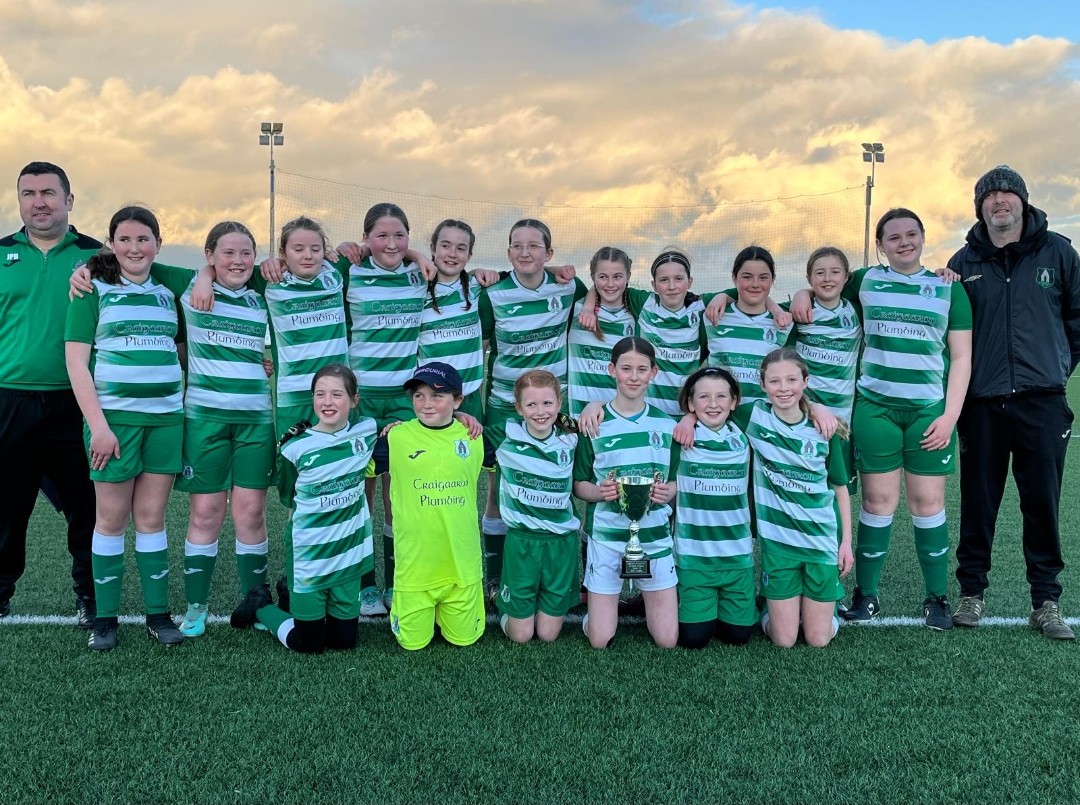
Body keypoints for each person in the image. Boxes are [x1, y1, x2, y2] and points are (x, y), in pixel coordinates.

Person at [795, 209, 973, 630]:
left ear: (923, 238)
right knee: (877, 503)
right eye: (893, 237)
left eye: (911, 234)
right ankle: (866, 595)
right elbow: (827, 285)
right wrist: (801, 294)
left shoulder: (948, 289)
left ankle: (936, 598)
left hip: (929, 411)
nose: (904, 242)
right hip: (875, 409)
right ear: (880, 245)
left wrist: (949, 417)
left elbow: (962, 356)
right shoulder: (865, 280)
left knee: (927, 504)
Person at [949, 166, 1080, 639]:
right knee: (978, 502)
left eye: (1007, 193)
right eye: (990, 196)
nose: (999, 201)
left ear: (1023, 200)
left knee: (1041, 502)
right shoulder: (962, 262)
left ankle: (1045, 601)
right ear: (980, 207)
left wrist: (1055, 368)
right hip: (982, 404)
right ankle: (972, 592)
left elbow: (1077, 319)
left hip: (1042, 403)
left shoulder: (1059, 252)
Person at [64, 206, 185, 650]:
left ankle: (158, 615)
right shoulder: (91, 289)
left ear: (158, 243)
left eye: (144, 239)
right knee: (111, 521)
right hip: (113, 424)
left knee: (152, 519)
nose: (135, 248)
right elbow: (76, 363)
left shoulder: (168, 289)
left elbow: (220, 274)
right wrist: (98, 426)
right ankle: (105, 619)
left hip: (167, 421)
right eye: (126, 239)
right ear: (111, 244)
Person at [0, 161, 100, 626]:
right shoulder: (0, 255)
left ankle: (91, 597)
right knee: (6, 509)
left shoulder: (99, 259)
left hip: (75, 403)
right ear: (19, 201)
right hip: (9, 402)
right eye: (28, 194)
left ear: (69, 200)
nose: (38, 202)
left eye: (48, 193)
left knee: (87, 508)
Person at [232, 363, 377, 653]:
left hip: (348, 555)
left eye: (337, 394)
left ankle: (294, 599)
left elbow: (415, 428)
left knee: (344, 643)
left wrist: (460, 415)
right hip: (309, 556)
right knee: (308, 644)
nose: (327, 401)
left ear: (354, 400)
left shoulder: (368, 431)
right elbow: (289, 497)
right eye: (320, 394)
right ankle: (262, 607)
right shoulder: (294, 448)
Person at [174, 222, 275, 638]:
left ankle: (255, 602)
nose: (238, 261)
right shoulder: (190, 290)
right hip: (205, 421)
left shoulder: (263, 298)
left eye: (246, 253)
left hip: (256, 421)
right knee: (205, 513)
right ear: (210, 255)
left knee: (251, 513)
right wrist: (201, 275)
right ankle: (196, 606)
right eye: (228, 253)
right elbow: (130, 260)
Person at [478, 219, 587, 594]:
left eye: (535, 246)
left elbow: (604, 295)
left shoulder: (569, 286)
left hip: (553, 409)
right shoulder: (492, 293)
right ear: (508, 252)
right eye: (517, 246)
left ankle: (566, 575)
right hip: (505, 407)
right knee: (501, 489)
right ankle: (496, 574)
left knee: (559, 485)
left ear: (550, 253)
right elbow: (479, 344)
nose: (525, 252)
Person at [377, 362, 495, 650]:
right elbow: (358, 469)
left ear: (457, 400)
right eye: (419, 396)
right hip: (415, 571)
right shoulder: (395, 438)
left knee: (465, 640)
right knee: (412, 643)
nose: (427, 404)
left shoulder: (475, 437)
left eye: (438, 396)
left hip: (461, 568)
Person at [573, 337, 679, 649]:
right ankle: (595, 615)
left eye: (641, 369)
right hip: (607, 537)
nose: (633, 376)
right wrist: (600, 491)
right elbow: (580, 485)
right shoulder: (594, 423)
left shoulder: (666, 424)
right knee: (600, 639)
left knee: (667, 640)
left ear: (653, 373)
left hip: (655, 536)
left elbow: (674, 482)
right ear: (612, 370)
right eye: (626, 368)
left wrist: (666, 492)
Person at [749, 348, 852, 648]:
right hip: (779, 543)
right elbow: (711, 407)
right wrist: (689, 420)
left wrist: (845, 543)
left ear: (805, 381)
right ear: (763, 384)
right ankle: (769, 603)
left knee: (818, 639)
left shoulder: (823, 428)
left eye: (792, 380)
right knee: (784, 639)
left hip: (820, 541)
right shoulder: (756, 417)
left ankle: (828, 606)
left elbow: (839, 487)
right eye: (775, 381)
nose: (783, 388)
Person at [495, 370, 581, 643]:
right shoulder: (504, 433)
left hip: (561, 543)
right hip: (523, 542)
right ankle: (505, 606)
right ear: (519, 408)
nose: (540, 411)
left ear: (559, 403)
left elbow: (604, 419)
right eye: (531, 404)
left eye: (547, 403)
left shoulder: (572, 433)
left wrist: (594, 407)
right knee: (521, 636)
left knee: (547, 635)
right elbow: (460, 429)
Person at [673, 367, 756, 648]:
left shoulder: (745, 428)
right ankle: (676, 594)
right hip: (695, 557)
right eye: (703, 397)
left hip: (737, 556)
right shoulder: (679, 436)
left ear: (733, 402)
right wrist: (686, 420)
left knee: (739, 637)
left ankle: (767, 601)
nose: (713, 404)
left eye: (721, 396)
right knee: (694, 639)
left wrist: (817, 408)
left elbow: (785, 404)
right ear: (690, 403)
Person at [703, 246, 794, 430]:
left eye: (763, 277)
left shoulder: (785, 322)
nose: (755, 284)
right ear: (734, 278)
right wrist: (722, 295)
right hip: (718, 421)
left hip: (764, 424)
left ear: (772, 280)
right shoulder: (712, 314)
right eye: (747, 276)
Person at [567, 246, 637, 418]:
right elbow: (535, 270)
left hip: (618, 417)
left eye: (618, 277)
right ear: (593, 277)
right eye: (603, 277)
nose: (611, 284)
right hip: (577, 416)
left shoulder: (636, 317)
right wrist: (588, 307)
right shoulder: (576, 308)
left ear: (628, 276)